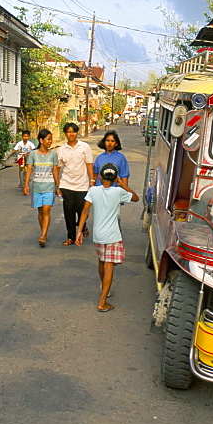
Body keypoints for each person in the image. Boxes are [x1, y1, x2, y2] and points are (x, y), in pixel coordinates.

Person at [76, 163, 138, 312]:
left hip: (98, 234)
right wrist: (123, 184)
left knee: (102, 261)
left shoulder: (93, 190)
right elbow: (135, 198)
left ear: (100, 177)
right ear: (115, 177)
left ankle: (105, 288)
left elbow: (85, 211)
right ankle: (102, 302)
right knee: (109, 265)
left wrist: (79, 231)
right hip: (112, 235)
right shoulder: (118, 192)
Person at [53, 122, 94, 247]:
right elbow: (56, 169)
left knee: (82, 210)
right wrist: (58, 185)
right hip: (67, 185)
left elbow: (89, 164)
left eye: (74, 131)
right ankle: (71, 237)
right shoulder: (61, 150)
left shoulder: (84, 147)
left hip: (82, 185)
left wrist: (92, 181)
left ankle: (83, 227)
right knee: (69, 212)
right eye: (69, 132)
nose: (72, 134)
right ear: (65, 133)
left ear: (77, 133)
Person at [22, 129, 57, 247]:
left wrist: (58, 185)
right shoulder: (33, 154)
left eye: (51, 139)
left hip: (49, 186)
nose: (50, 141)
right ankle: (44, 232)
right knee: (40, 211)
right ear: (41, 140)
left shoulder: (53, 154)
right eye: (48, 139)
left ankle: (43, 235)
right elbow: (29, 170)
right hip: (36, 186)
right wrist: (26, 185)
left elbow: (55, 171)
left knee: (46, 209)